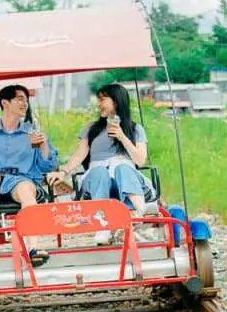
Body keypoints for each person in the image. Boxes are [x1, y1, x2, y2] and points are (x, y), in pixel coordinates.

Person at [47, 83, 158, 244]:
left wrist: (122, 137)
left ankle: (142, 212)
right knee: (100, 172)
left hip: (125, 180)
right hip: (98, 178)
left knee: (122, 167)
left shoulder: (134, 129)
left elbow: (140, 160)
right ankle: (102, 228)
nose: (99, 104)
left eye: (102, 99)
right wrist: (63, 172)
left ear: (116, 101)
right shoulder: (92, 128)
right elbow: (80, 154)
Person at [0, 84, 59, 266]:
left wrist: (44, 144)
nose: (25, 103)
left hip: (21, 180)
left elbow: (47, 166)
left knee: (26, 191)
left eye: (26, 99)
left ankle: (32, 248)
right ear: (5, 103)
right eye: (20, 99)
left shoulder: (31, 132)